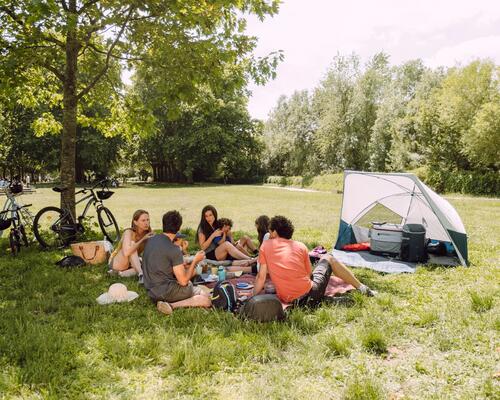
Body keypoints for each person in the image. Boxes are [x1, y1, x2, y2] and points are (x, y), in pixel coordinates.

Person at [253, 215, 377, 305]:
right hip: (309, 293)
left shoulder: (265, 246)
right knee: (328, 258)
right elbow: (309, 275)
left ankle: (319, 301)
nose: (269, 234)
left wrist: (252, 296)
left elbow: (261, 277)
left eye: (269, 231)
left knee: (310, 290)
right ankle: (362, 288)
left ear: (274, 232)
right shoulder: (301, 246)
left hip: (289, 299)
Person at [142, 210, 211, 315]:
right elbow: (183, 281)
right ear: (178, 228)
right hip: (165, 292)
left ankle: (169, 303)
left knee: (190, 279)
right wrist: (195, 261)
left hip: (151, 291)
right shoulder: (174, 249)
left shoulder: (151, 240)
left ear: (164, 224)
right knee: (206, 298)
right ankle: (172, 305)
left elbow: (159, 263)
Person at [108, 209, 154, 280]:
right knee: (132, 244)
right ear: (135, 222)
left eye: (148, 220)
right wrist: (142, 239)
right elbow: (126, 253)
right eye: (143, 220)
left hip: (131, 263)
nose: (146, 223)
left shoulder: (148, 234)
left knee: (146, 267)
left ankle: (119, 274)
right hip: (117, 263)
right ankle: (141, 275)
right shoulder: (128, 232)